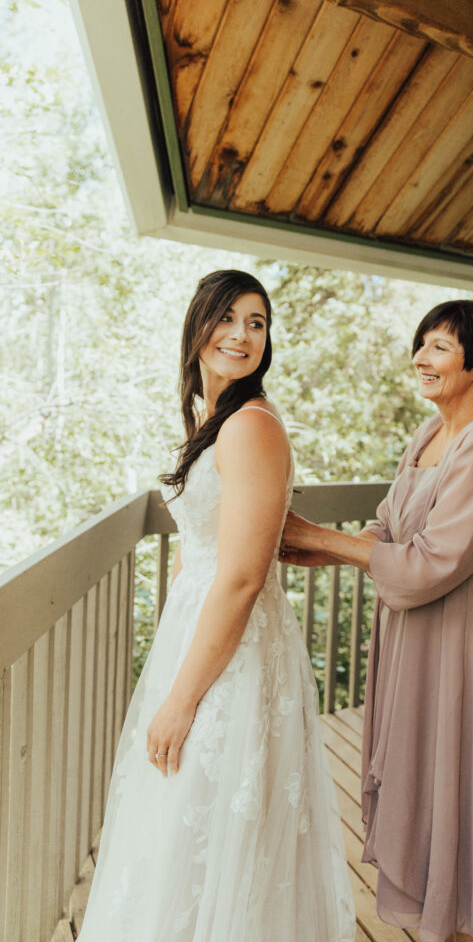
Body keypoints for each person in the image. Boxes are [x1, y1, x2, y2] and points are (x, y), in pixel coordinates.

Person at [78, 269, 355, 942]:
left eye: (255, 323)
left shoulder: (251, 426)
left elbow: (241, 577)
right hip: (196, 634)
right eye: (227, 318)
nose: (240, 334)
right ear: (198, 325)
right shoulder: (214, 420)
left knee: (208, 817)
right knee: (181, 821)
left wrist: (181, 698)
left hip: (234, 651)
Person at [280, 300, 473, 942]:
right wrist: (323, 547)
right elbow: (391, 528)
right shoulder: (427, 436)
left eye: (441, 347)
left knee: (463, 782)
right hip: (414, 640)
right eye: (421, 343)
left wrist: (324, 537)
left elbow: (427, 564)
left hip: (467, 650)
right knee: (419, 779)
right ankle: (435, 920)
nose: (421, 357)